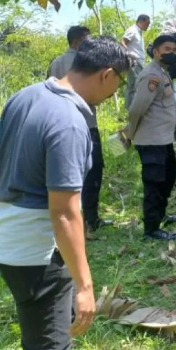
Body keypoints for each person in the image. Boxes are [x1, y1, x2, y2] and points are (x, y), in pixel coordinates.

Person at [0, 36, 132, 350]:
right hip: (37, 251)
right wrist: (85, 286)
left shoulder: (26, 95)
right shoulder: (70, 122)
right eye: (120, 83)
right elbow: (65, 212)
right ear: (106, 74)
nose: (115, 92)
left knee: (47, 333)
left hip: (5, 233)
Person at [47, 26, 112, 232]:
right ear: (76, 42)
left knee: (67, 174)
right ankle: (89, 219)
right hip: (86, 123)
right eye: (86, 40)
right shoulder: (87, 63)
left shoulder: (55, 63)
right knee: (92, 171)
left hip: (60, 123)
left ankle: (74, 218)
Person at [125, 35, 176, 241]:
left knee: (169, 174)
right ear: (156, 52)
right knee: (154, 184)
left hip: (163, 139)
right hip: (151, 140)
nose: (172, 53)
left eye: (174, 50)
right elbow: (136, 109)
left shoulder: (163, 71)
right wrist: (129, 134)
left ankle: (160, 214)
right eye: (167, 49)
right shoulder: (151, 75)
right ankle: (151, 228)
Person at [122, 14, 151, 109]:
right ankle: (130, 109)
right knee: (133, 86)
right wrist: (129, 54)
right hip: (134, 62)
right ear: (141, 21)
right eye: (147, 24)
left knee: (139, 86)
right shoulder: (132, 30)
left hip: (140, 62)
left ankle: (136, 108)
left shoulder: (139, 32)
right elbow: (122, 42)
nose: (148, 26)